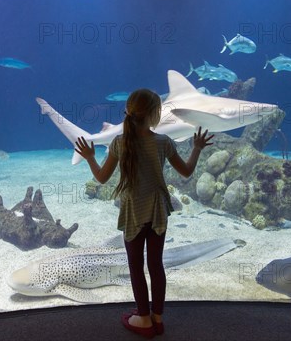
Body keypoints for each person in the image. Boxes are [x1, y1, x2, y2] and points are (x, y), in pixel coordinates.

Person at [74, 89, 213, 338]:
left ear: (128, 112)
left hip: (133, 211)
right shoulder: (164, 142)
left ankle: (144, 319)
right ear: (155, 114)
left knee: (136, 267)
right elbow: (187, 172)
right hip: (158, 209)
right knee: (156, 265)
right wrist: (197, 148)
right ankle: (157, 317)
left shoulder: (119, 143)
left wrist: (90, 158)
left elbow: (102, 178)